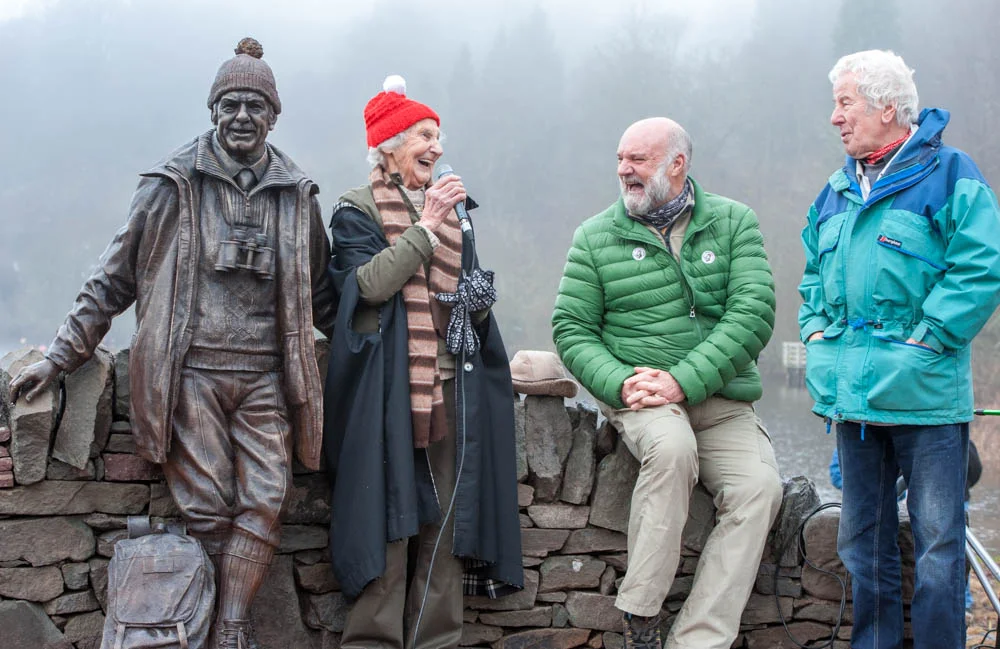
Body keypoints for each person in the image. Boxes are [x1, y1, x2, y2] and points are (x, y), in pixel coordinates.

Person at [8, 38, 335, 649]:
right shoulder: (171, 184)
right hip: (191, 374)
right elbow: (113, 278)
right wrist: (59, 356)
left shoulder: (297, 194)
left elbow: (324, 297)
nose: (242, 117)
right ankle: (213, 628)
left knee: (267, 498)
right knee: (207, 509)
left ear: (274, 114)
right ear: (212, 110)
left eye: (255, 106)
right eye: (231, 104)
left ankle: (231, 621)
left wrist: (380, 356)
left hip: (266, 374)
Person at [552, 117, 782, 649]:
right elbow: (571, 328)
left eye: (638, 159)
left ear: (677, 164)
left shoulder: (733, 222)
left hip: (722, 400)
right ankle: (640, 614)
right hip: (643, 397)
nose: (624, 171)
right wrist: (618, 383)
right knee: (673, 449)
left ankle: (697, 641)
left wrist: (684, 380)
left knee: (759, 490)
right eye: (619, 159)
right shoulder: (594, 236)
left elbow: (754, 313)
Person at [799, 49, 1000, 649]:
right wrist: (814, 334)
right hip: (853, 404)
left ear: (888, 107)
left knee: (939, 550)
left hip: (926, 397)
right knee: (862, 546)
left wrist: (930, 337)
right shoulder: (833, 192)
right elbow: (811, 275)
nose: (835, 117)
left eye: (845, 103)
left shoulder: (951, 173)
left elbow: (981, 268)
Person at [324, 76, 523, 649]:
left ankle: (437, 643)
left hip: (452, 390)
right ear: (389, 144)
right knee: (387, 522)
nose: (437, 147)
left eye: (438, 136)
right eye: (424, 135)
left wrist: (478, 303)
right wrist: (426, 224)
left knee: (445, 533)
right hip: (386, 394)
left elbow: (473, 310)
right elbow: (367, 286)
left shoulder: (460, 214)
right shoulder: (355, 211)